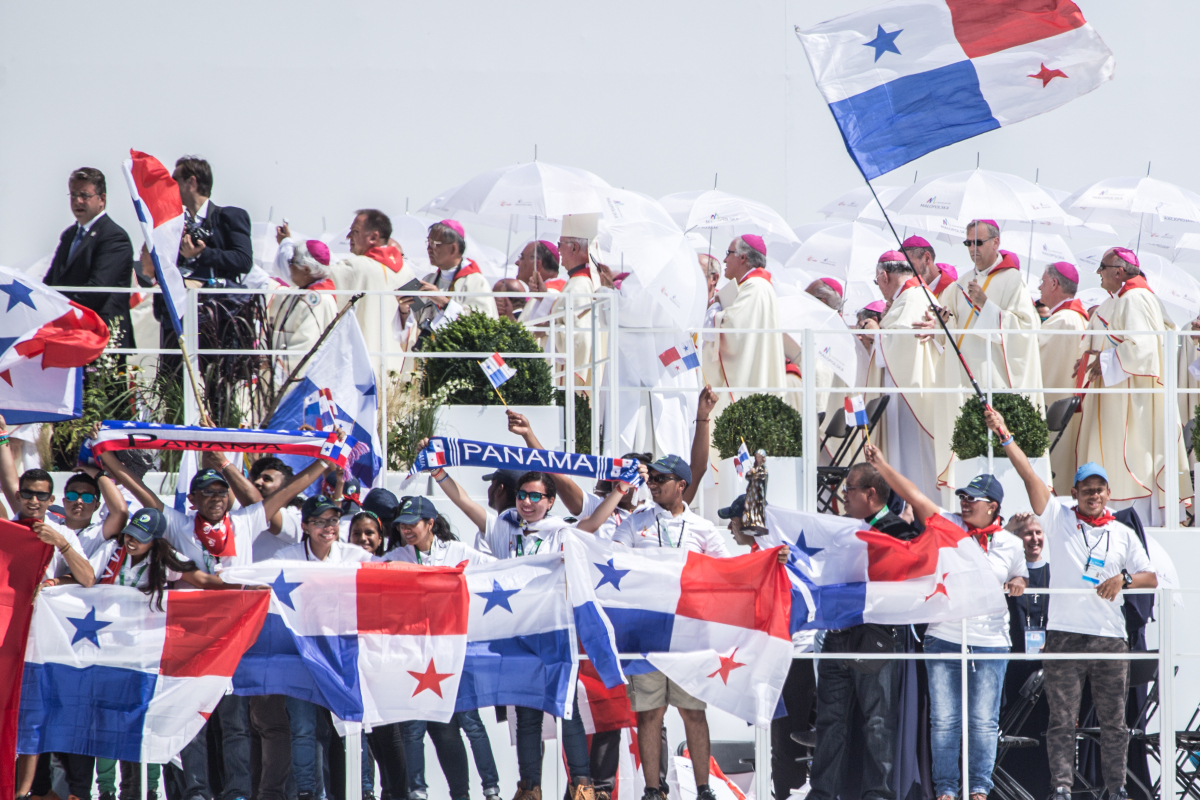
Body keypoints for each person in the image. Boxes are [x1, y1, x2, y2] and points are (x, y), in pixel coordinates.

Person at [102, 443, 338, 800]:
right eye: (206, 492)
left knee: (237, 722)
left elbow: (290, 490)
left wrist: (323, 461)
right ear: (193, 500)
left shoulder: (245, 522)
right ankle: (196, 791)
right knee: (192, 717)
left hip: (239, 632)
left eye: (220, 491)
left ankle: (237, 792)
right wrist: (105, 456)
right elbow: (140, 490)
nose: (215, 496)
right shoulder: (180, 525)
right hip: (195, 634)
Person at [989, 406, 1157, 800]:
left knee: (1115, 722)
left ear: (1108, 493)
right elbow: (1029, 475)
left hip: (1109, 639)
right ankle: (1061, 789)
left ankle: (1116, 789)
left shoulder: (1122, 534)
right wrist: (1005, 435)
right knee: (1062, 721)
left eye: (1100, 488)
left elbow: (1150, 577)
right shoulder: (1059, 518)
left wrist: (1124, 579)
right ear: (1075, 493)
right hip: (1064, 636)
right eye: (1087, 489)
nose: (1094, 494)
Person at [864, 444, 1027, 800]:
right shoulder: (948, 525)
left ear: (993, 507)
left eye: (974, 499)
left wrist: (1019, 583)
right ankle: (947, 791)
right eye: (964, 496)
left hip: (991, 642)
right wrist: (882, 464)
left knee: (983, 723)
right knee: (945, 723)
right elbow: (915, 495)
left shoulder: (1012, 544)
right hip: (944, 637)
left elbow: (1020, 576)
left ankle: (980, 790)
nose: (965, 502)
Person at [425, 461, 593, 800]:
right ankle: (529, 787)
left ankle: (583, 786)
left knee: (566, 709)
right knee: (527, 715)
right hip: (517, 633)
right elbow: (467, 505)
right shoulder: (504, 527)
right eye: (522, 495)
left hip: (555, 630)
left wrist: (619, 491)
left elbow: (595, 522)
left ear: (550, 501)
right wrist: (439, 474)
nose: (527, 502)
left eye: (535, 496)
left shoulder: (563, 531)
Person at [578, 456, 741, 800]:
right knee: (649, 715)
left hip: (689, 637)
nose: (651, 483)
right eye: (650, 478)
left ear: (681, 484)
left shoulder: (703, 527)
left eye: (660, 479)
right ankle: (654, 790)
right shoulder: (635, 522)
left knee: (693, 713)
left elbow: (729, 573)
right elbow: (612, 559)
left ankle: (703, 789)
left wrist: (766, 558)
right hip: (645, 636)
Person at [376, 497, 500, 800]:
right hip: (415, 655)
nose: (406, 529)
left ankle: (491, 789)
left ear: (431, 523)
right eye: (401, 524)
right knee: (413, 726)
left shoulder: (457, 552)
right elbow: (367, 578)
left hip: (454, 652)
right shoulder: (395, 556)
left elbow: (501, 571)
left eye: (412, 523)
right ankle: (418, 791)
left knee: (470, 722)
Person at [806, 460, 916, 800]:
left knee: (878, 723)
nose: (843, 496)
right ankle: (822, 793)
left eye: (848, 489)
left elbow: (910, 575)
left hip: (877, 639)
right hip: (838, 636)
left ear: (870, 493)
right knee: (829, 721)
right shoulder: (841, 530)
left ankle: (877, 794)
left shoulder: (900, 532)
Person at [1075, 247, 1190, 525]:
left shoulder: (1135, 298)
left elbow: (1143, 349)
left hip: (1132, 403)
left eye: (1101, 267)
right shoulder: (1118, 299)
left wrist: (1104, 361)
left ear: (1119, 270)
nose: (1098, 274)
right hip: (1117, 395)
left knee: (1132, 460)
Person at [935, 220, 1042, 492]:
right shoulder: (960, 283)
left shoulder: (1013, 280)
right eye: (968, 243)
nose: (972, 249)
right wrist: (941, 321)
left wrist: (985, 304)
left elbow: (1026, 330)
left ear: (996, 243)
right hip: (964, 378)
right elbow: (951, 332)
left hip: (995, 377)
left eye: (978, 243)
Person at [290, 209, 414, 377]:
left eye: (354, 231)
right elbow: (416, 322)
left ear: (373, 237)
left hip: (363, 368)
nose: (348, 237)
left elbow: (310, 280)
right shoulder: (409, 272)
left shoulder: (355, 268)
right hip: (398, 367)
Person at [865, 250, 941, 500]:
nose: (879, 288)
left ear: (884, 276)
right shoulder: (917, 294)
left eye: (877, 281)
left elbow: (901, 348)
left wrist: (876, 331)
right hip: (916, 393)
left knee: (912, 462)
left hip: (910, 401)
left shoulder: (910, 299)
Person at [44, 167, 136, 348]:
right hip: (69, 335)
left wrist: (61, 310)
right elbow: (52, 280)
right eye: (73, 195)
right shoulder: (69, 235)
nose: (78, 201)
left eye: (84, 195)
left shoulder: (114, 237)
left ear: (102, 199)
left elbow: (98, 289)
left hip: (101, 337)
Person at [701, 234, 786, 420]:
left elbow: (727, 328)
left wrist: (715, 307)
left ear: (742, 258)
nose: (724, 259)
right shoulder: (755, 286)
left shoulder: (755, 287)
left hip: (746, 381)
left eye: (728, 253)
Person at [1037, 261, 1089, 495]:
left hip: (1055, 407)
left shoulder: (1063, 320)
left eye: (1042, 282)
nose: (1039, 288)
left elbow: (1033, 359)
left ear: (1054, 283)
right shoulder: (1076, 318)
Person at [405, 219, 498, 324]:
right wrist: (404, 309)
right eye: (428, 242)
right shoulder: (429, 280)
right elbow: (415, 323)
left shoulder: (476, 282)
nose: (429, 249)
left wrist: (443, 302)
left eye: (434, 243)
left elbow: (483, 324)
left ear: (453, 248)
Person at [271, 239, 338, 379]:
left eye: (292, 262)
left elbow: (305, 346)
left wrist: (275, 373)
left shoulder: (319, 301)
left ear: (306, 269)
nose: (289, 267)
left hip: (294, 380)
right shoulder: (301, 292)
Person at [554, 213, 605, 389]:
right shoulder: (577, 282)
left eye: (559, 244)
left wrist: (548, 330)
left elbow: (579, 337)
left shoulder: (580, 285)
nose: (558, 250)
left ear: (574, 248)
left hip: (570, 378)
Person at [59, 466, 129, 559]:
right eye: (72, 496)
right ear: (64, 501)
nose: (79, 501)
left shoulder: (98, 534)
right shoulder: (50, 524)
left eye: (87, 497)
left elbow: (120, 512)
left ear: (96, 505)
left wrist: (99, 475)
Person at [518, 240, 564, 326]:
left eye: (522, 258)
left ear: (537, 265)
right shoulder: (540, 293)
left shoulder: (553, 291)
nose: (517, 263)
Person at [900, 235, 956, 300]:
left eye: (910, 266)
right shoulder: (908, 293)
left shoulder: (953, 290)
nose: (907, 274)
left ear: (927, 258)